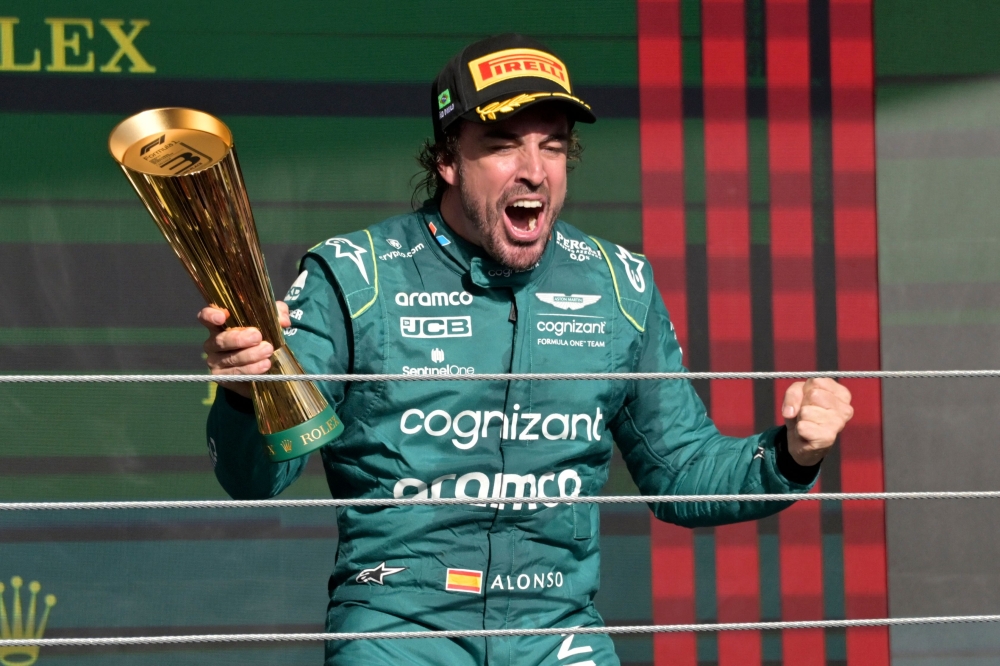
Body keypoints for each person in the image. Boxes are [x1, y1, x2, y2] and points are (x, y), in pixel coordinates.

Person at [198, 33, 853, 666]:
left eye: (554, 147)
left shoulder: (618, 284)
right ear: (449, 160)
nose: (534, 171)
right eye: (504, 146)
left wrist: (792, 454)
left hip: (557, 632)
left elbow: (681, 475)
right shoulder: (356, 274)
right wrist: (240, 392)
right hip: (399, 630)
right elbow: (256, 476)